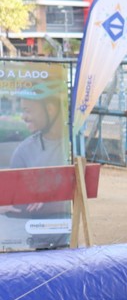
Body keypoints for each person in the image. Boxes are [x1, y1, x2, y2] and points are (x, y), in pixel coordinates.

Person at [7, 80, 72, 221]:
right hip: (36, 234)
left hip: (71, 231)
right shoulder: (23, 151)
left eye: (28, 111)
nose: (23, 117)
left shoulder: (74, 146)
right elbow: (13, 202)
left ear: (50, 109)